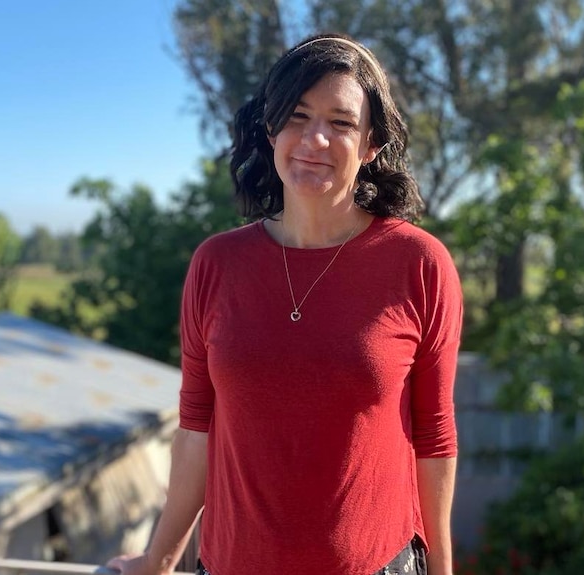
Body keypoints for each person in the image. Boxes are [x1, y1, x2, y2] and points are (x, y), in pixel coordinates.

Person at [107, 32, 463, 575]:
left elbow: (435, 436)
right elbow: (195, 429)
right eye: (297, 116)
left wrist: (441, 569)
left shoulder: (419, 263)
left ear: (370, 144)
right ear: (271, 129)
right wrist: (158, 561)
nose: (314, 139)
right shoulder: (217, 264)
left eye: (340, 123)